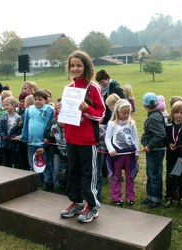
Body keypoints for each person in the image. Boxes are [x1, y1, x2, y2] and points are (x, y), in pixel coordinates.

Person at [57, 50, 105, 223]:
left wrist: (87, 110)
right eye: (72, 66)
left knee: (88, 174)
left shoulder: (93, 88)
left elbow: (101, 114)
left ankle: (92, 206)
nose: (75, 69)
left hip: (87, 140)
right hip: (71, 138)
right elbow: (64, 119)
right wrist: (59, 112)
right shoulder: (69, 89)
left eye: (79, 65)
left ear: (86, 67)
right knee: (73, 173)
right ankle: (77, 202)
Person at [18, 90, 55, 191]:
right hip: (31, 141)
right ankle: (35, 180)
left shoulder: (49, 109)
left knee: (45, 163)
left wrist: (49, 137)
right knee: (32, 162)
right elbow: (26, 124)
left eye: (40, 99)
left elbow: (52, 124)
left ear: (46, 100)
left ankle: (48, 182)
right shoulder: (28, 110)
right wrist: (24, 137)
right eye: (35, 99)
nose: (37, 101)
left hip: (43, 142)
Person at [105, 99, 139, 206]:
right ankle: (116, 197)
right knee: (116, 175)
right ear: (117, 112)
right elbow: (107, 138)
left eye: (128, 113)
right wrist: (111, 150)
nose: (126, 115)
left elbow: (135, 138)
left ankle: (130, 197)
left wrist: (136, 152)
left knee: (129, 176)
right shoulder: (112, 124)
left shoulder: (131, 123)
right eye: (124, 113)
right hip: (117, 154)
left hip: (129, 153)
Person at [95, 69, 125, 179]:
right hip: (105, 120)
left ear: (108, 79)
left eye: (103, 81)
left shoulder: (116, 89)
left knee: (114, 148)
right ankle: (107, 171)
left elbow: (124, 104)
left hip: (115, 122)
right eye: (100, 82)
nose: (102, 83)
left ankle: (117, 173)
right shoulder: (100, 90)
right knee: (106, 148)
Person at [140, 92, 166, 209]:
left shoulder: (153, 118)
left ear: (144, 105)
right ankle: (150, 196)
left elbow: (161, 134)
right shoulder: (156, 114)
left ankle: (156, 198)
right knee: (150, 173)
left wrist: (149, 146)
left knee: (154, 174)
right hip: (153, 151)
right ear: (156, 103)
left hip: (155, 150)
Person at [0, 97, 22, 168]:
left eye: (7, 105)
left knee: (14, 159)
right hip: (4, 142)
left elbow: (19, 130)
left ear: (13, 105)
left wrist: (15, 136)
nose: (5, 107)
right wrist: (3, 136)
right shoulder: (3, 116)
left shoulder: (18, 117)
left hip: (13, 143)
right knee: (5, 159)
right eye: (4, 105)